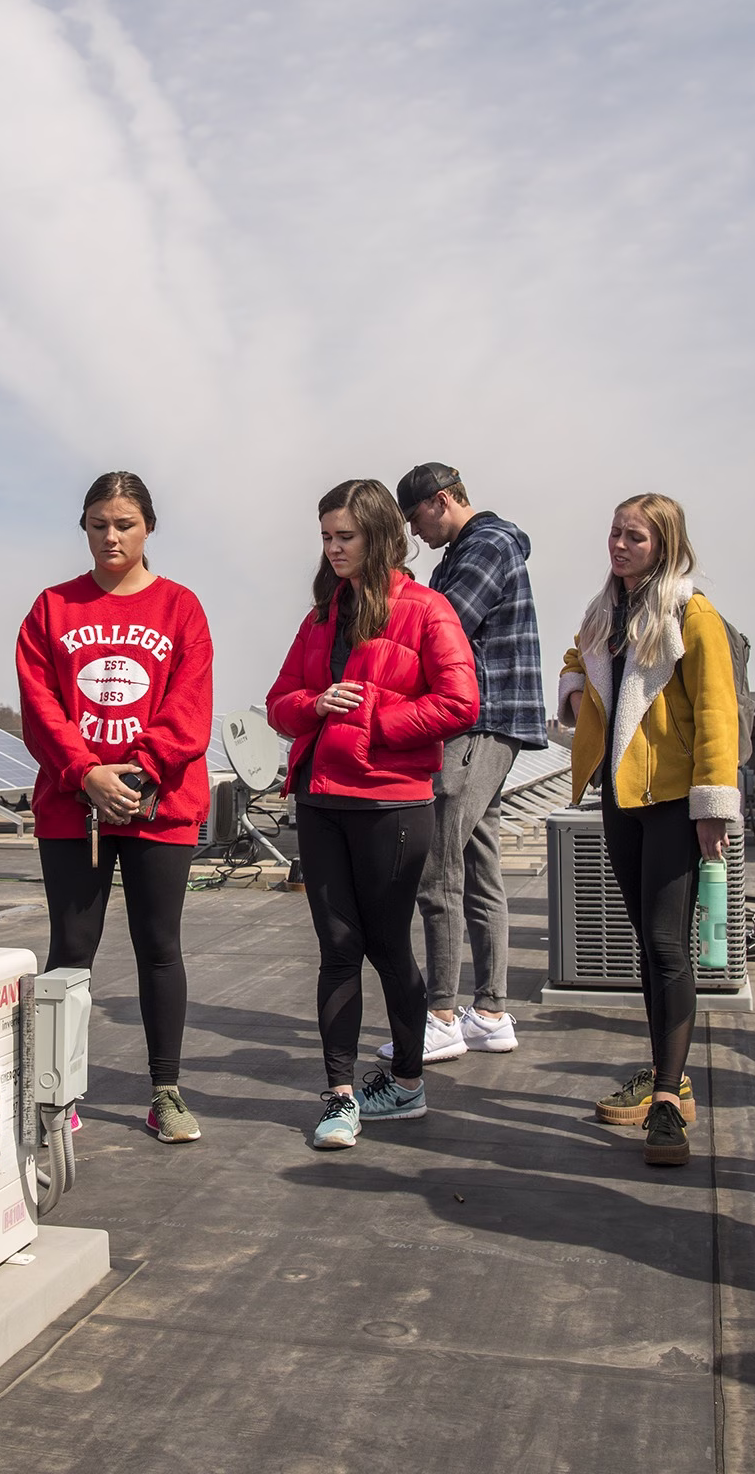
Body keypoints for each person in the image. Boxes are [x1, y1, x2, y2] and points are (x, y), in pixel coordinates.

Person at [267, 479, 479, 1150]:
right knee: (337, 949)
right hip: (320, 799)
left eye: (346, 536)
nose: (333, 549)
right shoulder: (320, 617)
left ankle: (408, 1083)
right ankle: (340, 1096)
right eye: (326, 537)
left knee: (387, 946)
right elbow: (278, 703)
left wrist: (371, 722)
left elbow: (460, 703)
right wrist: (314, 704)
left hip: (393, 802)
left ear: (380, 535)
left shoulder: (428, 610)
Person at [16, 472, 215, 1143]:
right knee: (72, 948)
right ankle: (58, 1093)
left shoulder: (181, 608)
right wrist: (86, 774)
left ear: (148, 527)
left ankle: (166, 1093)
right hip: (74, 807)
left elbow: (190, 706)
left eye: (125, 524)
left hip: (162, 804)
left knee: (159, 946)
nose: (111, 536)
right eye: (99, 524)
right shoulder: (52, 608)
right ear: (84, 527)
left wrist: (140, 773)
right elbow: (40, 706)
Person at [557, 494, 741, 1167]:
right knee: (649, 945)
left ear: (665, 543)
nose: (619, 544)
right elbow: (578, 659)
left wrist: (713, 808)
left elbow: (718, 713)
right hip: (620, 794)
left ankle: (667, 1098)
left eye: (634, 536)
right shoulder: (604, 611)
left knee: (667, 945)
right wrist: (574, 689)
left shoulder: (692, 612)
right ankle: (670, 1072)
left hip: (672, 798)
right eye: (614, 532)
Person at [383, 462, 545, 1065]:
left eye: (415, 517)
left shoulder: (486, 545)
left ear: (442, 500)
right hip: (487, 722)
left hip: (478, 721)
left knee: (438, 866)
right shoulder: (465, 551)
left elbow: (439, 625)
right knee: (478, 865)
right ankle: (491, 1014)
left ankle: (442, 1015)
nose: (414, 531)